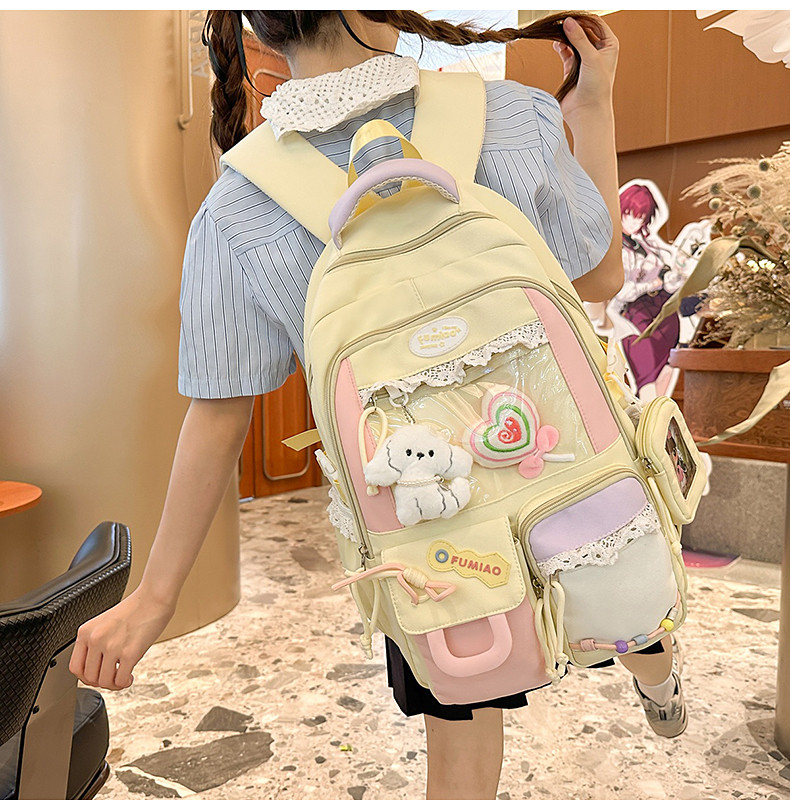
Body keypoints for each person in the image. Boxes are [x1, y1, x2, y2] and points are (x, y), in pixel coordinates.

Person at [69, 11, 687, 800]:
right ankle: (659, 683)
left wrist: (156, 598)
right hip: (566, 462)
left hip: (424, 514)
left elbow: (218, 418)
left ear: (259, 29)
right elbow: (598, 279)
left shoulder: (237, 208)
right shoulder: (507, 115)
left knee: (461, 700)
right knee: (623, 599)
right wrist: (591, 105)